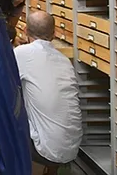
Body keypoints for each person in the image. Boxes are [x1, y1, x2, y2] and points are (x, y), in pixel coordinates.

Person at [15, 11, 82, 174]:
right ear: (54, 34)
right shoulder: (64, 60)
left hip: (44, 150)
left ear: (25, 31)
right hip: (72, 148)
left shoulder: (21, 53)